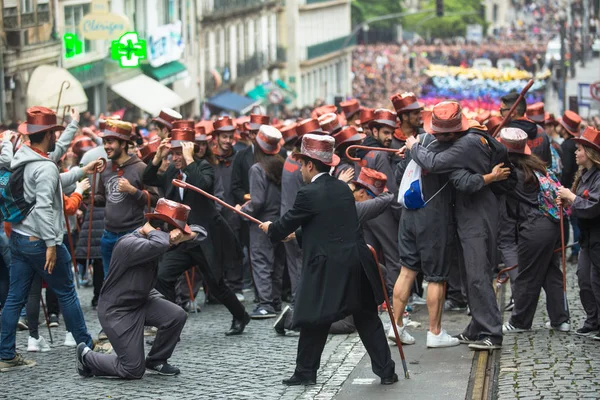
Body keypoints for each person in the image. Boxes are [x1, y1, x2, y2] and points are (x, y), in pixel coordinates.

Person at [260, 134, 397, 386]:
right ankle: (387, 372)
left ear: (310, 165)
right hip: (356, 263)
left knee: (314, 319)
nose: (300, 169)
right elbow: (329, 225)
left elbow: (283, 225)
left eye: (302, 164)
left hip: (328, 267)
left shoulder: (308, 193)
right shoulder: (342, 189)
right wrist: (295, 233)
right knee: (367, 319)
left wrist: (272, 229)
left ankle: (305, 372)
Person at [0, 106, 97, 371]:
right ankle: (86, 347)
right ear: (47, 135)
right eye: (54, 132)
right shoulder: (44, 168)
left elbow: (54, 172)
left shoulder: (24, 154)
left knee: (14, 298)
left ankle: (6, 354)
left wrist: (82, 169)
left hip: (19, 238)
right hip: (41, 242)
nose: (57, 137)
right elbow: (44, 205)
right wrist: (52, 245)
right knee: (67, 293)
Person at [406, 101, 504, 350]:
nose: (436, 138)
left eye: (439, 135)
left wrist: (415, 147)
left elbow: (435, 163)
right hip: (467, 213)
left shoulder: (468, 143)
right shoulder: (464, 139)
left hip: (476, 214)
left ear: (452, 132)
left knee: (477, 274)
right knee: (469, 274)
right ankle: (476, 327)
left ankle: (491, 333)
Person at [77, 199, 206, 379]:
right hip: (118, 310)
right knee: (132, 370)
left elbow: (202, 233)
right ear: (158, 231)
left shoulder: (157, 239)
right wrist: (162, 235)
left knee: (176, 315)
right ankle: (87, 357)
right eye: (170, 234)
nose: (172, 240)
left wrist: (185, 236)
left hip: (142, 301)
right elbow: (158, 245)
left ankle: (156, 360)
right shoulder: (129, 244)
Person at [143, 130, 250, 336]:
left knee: (217, 285)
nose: (174, 159)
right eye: (172, 154)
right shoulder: (172, 172)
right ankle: (170, 326)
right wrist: (157, 157)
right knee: (164, 277)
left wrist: (190, 159)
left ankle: (240, 315)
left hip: (204, 238)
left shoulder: (203, 167)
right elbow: (147, 177)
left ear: (189, 151)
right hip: (182, 238)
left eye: (178, 154)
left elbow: (203, 185)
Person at [498, 128, 570, 334]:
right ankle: (560, 319)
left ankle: (519, 322)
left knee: (528, 275)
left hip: (535, 227)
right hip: (553, 224)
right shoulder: (534, 166)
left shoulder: (510, 173)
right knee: (550, 272)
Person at [95, 120, 159, 278]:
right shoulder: (105, 168)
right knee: (109, 281)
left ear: (123, 144)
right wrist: (89, 198)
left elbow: (155, 199)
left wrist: (132, 190)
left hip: (133, 234)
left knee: (132, 280)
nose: (106, 146)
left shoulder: (141, 168)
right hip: (108, 235)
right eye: (104, 142)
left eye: (110, 142)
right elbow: (103, 199)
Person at [238, 126, 286, 318]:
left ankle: (266, 304)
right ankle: (274, 301)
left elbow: (257, 201)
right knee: (277, 264)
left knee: (261, 263)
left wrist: (242, 210)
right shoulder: (282, 164)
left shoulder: (257, 169)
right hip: (280, 221)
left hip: (261, 223)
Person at [557, 126, 600, 339]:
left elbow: (593, 206)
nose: (575, 153)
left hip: (598, 238)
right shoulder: (584, 175)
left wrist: (571, 198)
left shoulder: (599, 177)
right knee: (584, 279)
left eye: (579, 149)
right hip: (587, 239)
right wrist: (567, 201)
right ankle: (592, 321)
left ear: (590, 153)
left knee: (596, 281)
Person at [557, 110, 583, 264]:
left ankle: (575, 252)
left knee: (573, 221)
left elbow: (566, 170)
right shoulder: (574, 144)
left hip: (571, 189)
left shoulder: (567, 146)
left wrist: (563, 188)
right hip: (577, 187)